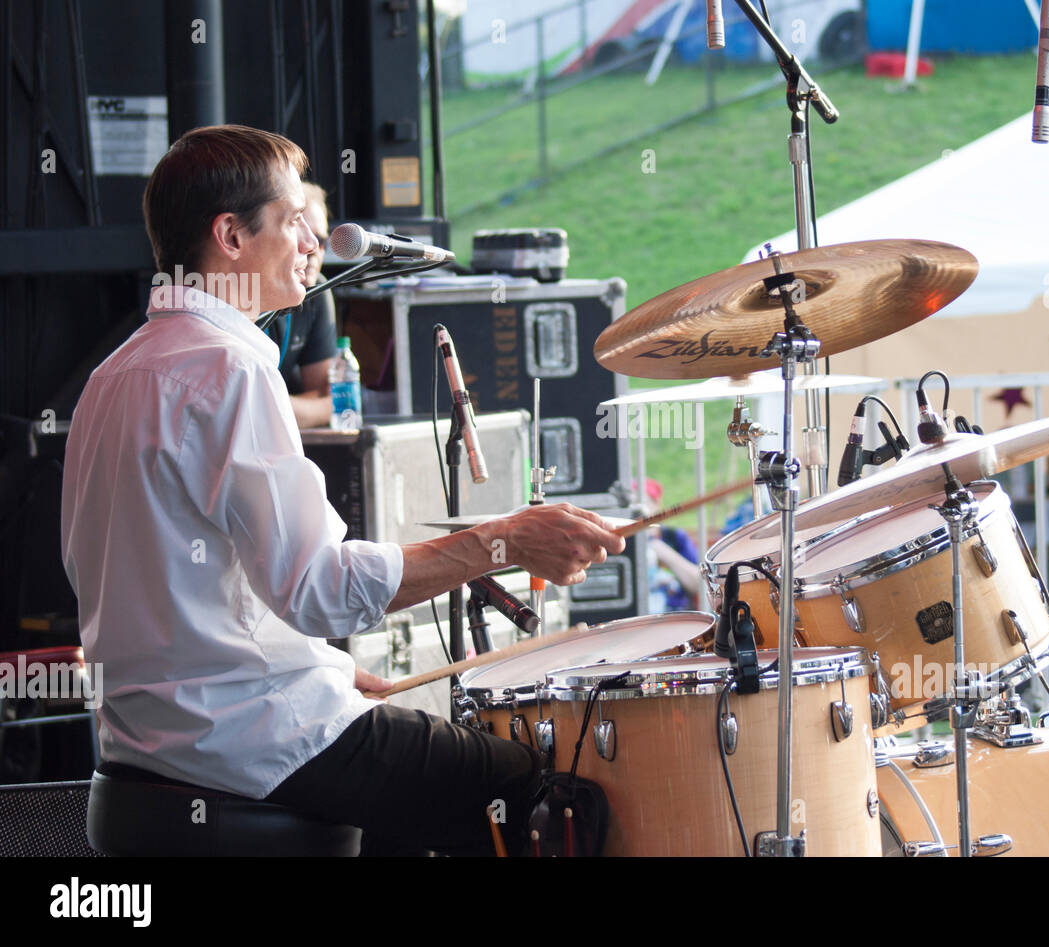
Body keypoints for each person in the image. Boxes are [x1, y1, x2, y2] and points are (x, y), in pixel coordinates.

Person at [60, 125, 624, 855]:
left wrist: (320, 667)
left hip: (144, 742)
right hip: (245, 740)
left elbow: (173, 590)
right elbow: (320, 589)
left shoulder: (111, 377)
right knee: (547, 792)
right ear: (230, 235)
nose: (313, 243)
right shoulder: (229, 368)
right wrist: (503, 540)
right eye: (295, 221)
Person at [264, 181, 336, 428]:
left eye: (322, 240)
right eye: (300, 233)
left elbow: (330, 403)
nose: (314, 247)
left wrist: (267, 407)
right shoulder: (237, 292)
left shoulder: (317, 292)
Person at [640, 478, 702, 613]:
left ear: (656, 504)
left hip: (679, 616)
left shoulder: (675, 537)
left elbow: (701, 584)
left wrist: (665, 553)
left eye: (642, 504)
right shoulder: (623, 543)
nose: (637, 512)